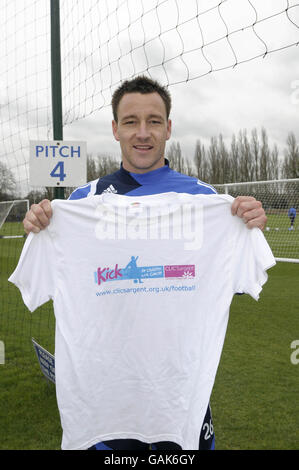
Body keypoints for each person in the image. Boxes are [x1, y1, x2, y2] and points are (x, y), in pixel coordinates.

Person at [22, 76, 267, 451]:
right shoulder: (79, 203)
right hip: (103, 403)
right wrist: (41, 229)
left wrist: (243, 229)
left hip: (179, 398)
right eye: (131, 121)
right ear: (115, 129)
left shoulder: (207, 201)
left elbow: (225, 283)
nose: (143, 132)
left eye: (154, 121)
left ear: (168, 128)